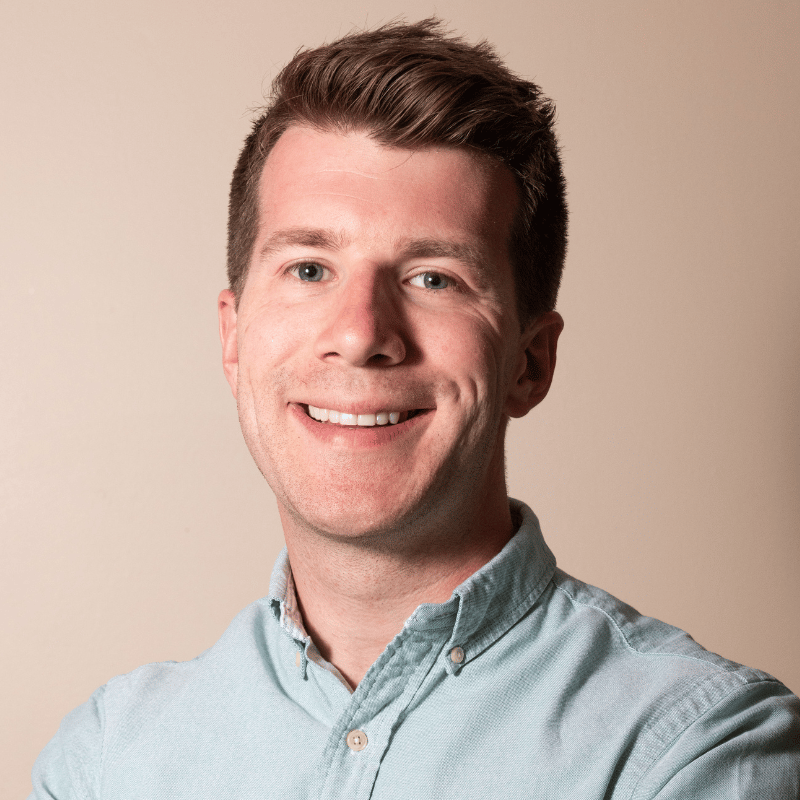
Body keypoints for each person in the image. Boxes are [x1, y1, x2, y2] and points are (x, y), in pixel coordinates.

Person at [30, 18, 799, 799]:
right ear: (233, 338)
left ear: (529, 363)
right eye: (308, 268)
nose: (362, 335)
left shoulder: (694, 747)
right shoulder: (108, 758)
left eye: (434, 278)